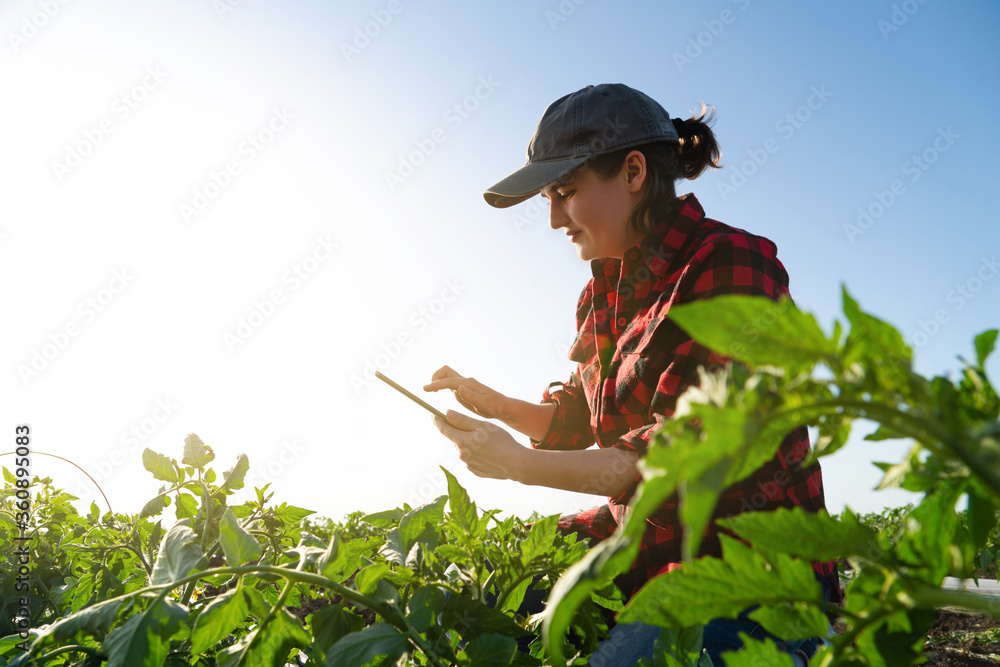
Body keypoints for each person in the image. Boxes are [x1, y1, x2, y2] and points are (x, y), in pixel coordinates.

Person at [423, 83, 839, 665]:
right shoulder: (602, 290)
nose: (552, 220)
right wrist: (495, 405)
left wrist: (521, 466)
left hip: (746, 569)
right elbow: (582, 420)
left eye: (565, 192)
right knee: (483, 603)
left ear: (635, 171)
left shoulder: (734, 264)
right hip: (644, 550)